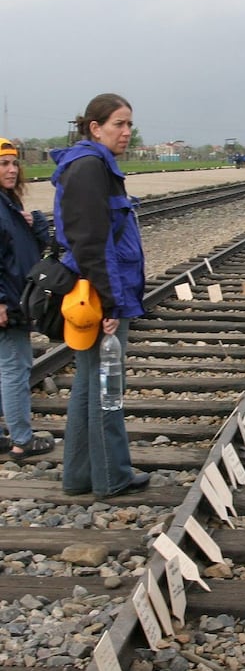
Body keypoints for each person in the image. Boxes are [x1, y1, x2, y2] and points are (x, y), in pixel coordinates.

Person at [51, 94, 149, 499]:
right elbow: (91, 242)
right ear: (95, 127)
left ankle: (79, 475)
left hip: (99, 290)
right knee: (106, 385)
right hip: (100, 294)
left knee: (91, 383)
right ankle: (111, 476)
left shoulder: (92, 165)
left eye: (129, 125)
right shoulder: (90, 168)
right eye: (118, 124)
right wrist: (110, 302)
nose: (126, 132)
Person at [0, 138, 55, 460]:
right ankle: (22, 439)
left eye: (14, 163)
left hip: (15, 297)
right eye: (4, 164)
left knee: (7, 367)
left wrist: (36, 222)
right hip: (9, 301)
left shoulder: (9, 205)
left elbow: (39, 246)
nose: (11, 169)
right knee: (15, 369)